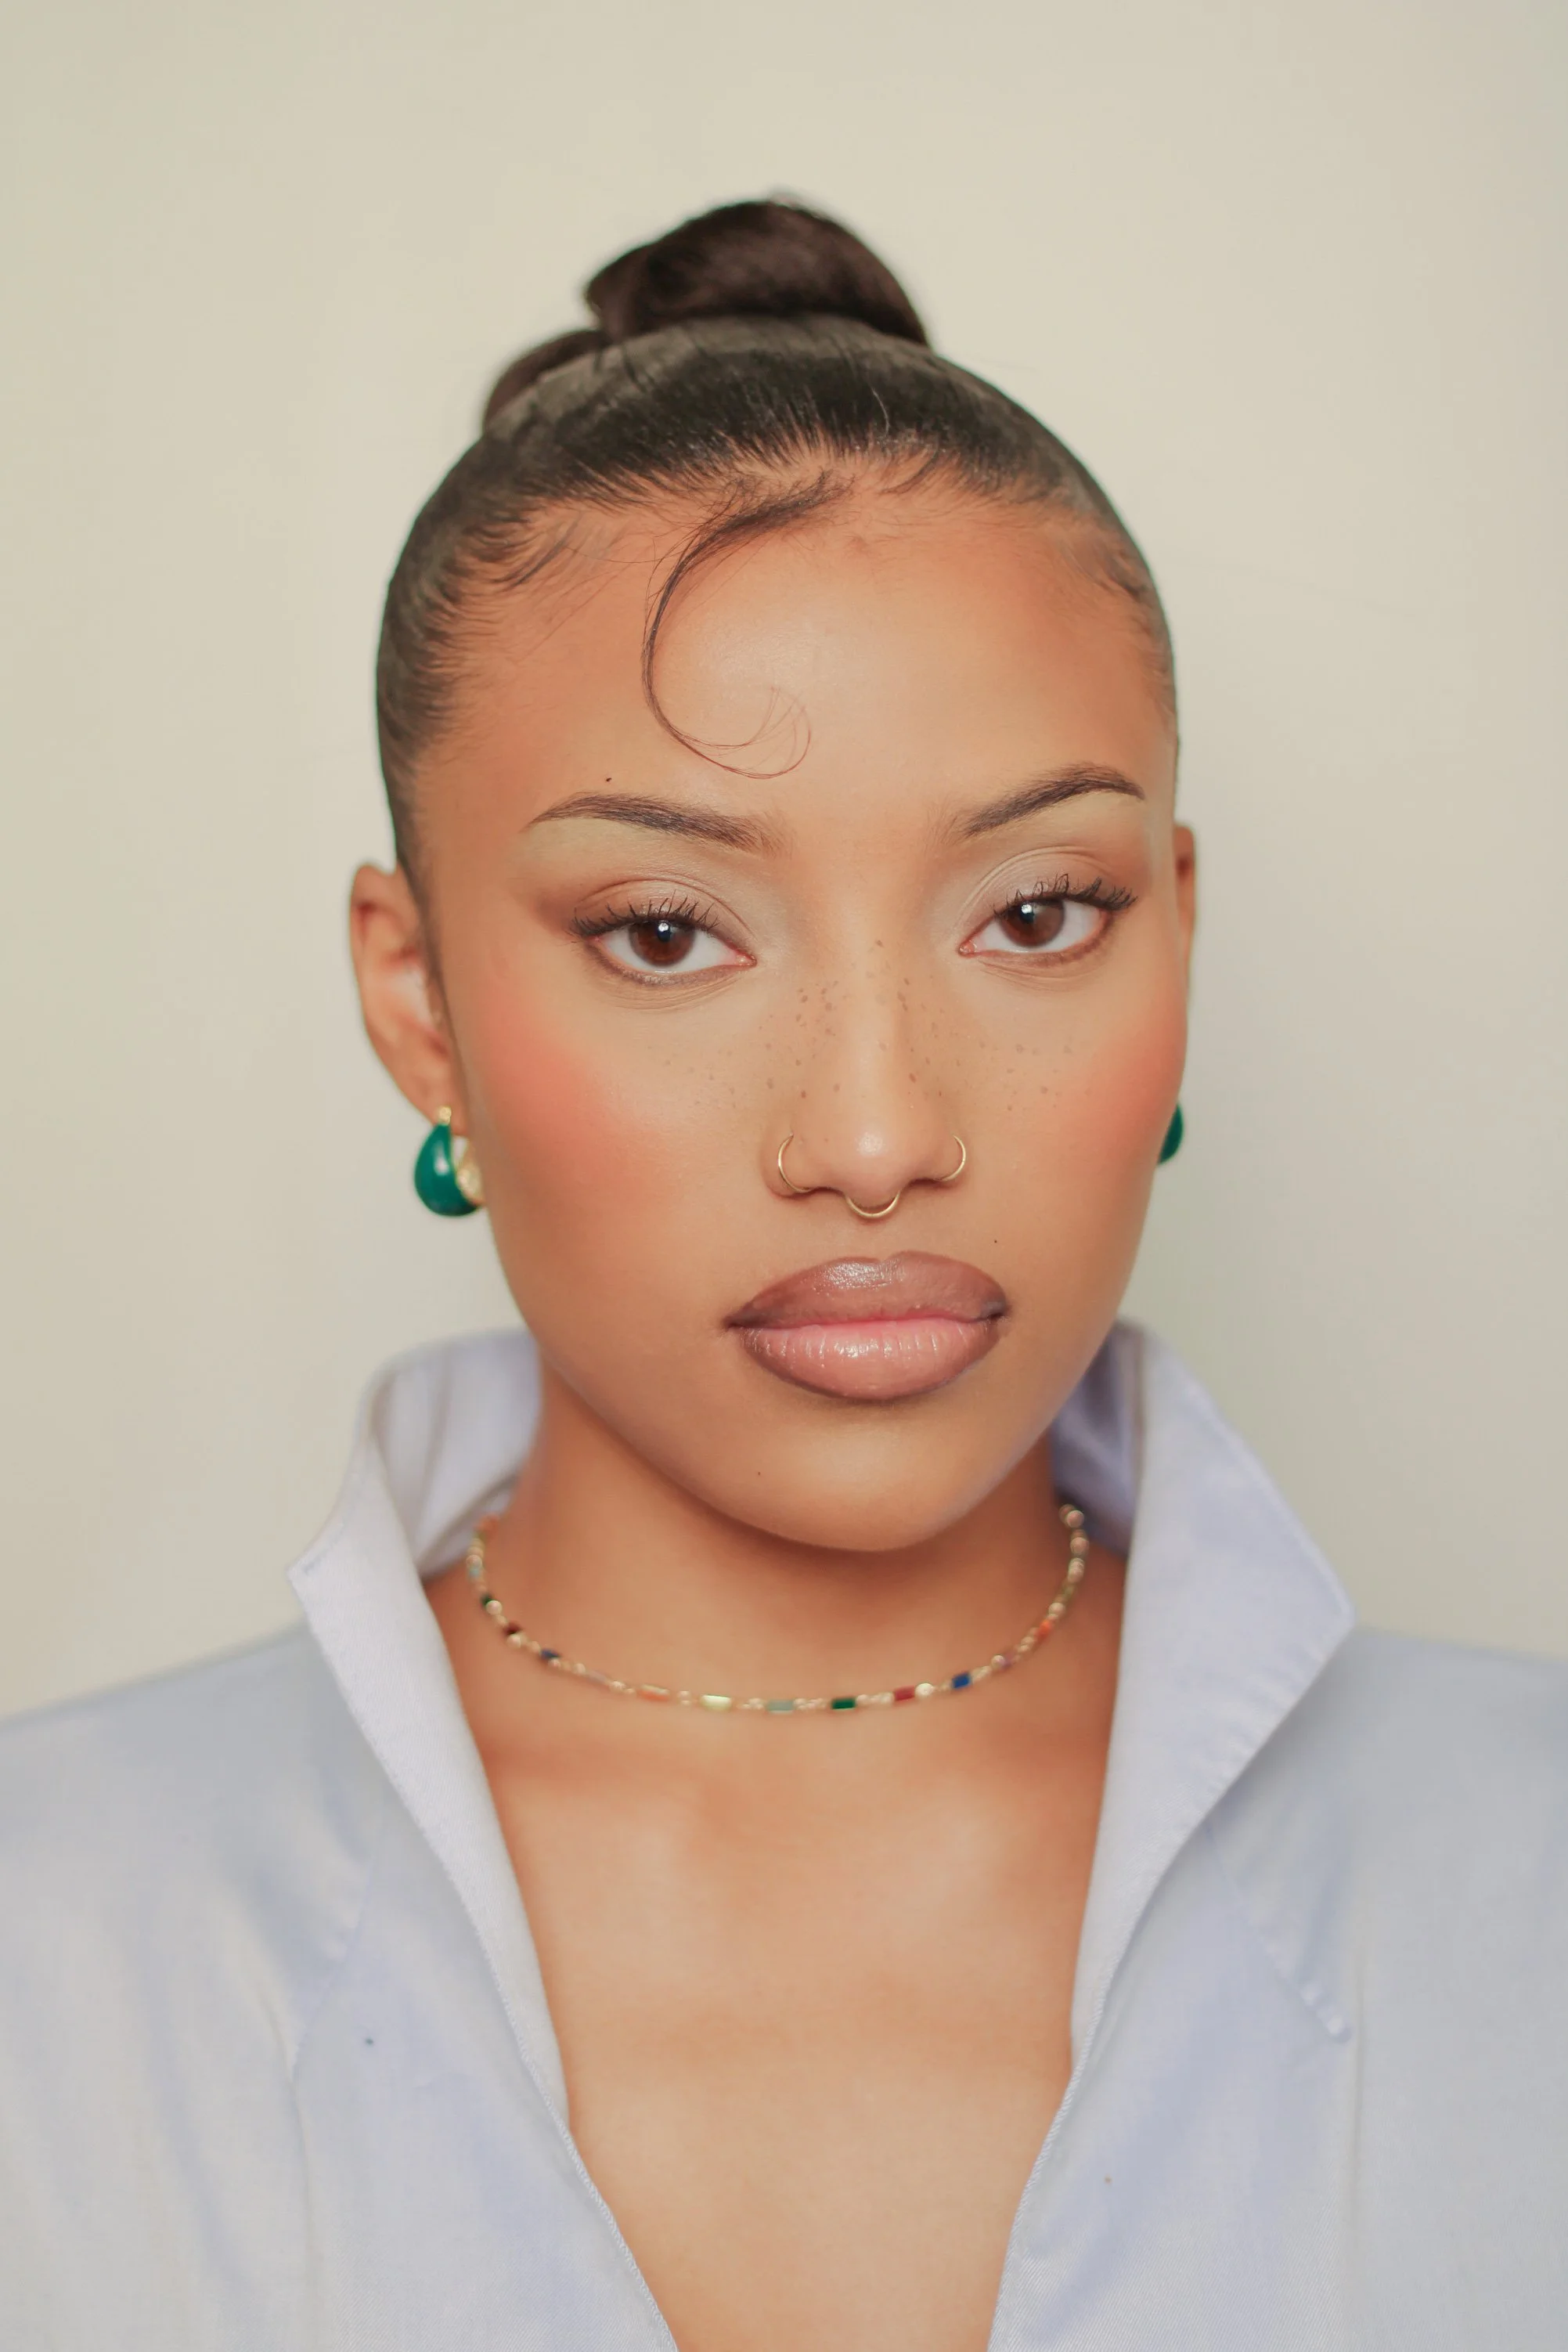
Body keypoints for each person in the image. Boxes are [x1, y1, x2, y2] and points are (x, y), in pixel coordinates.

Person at [2, 198, 1564, 2352]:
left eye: (1036, 912)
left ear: (1176, 933)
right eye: (664, 931)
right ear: (419, 995)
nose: (872, 1134)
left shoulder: (1532, 1867)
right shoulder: (47, 1932)